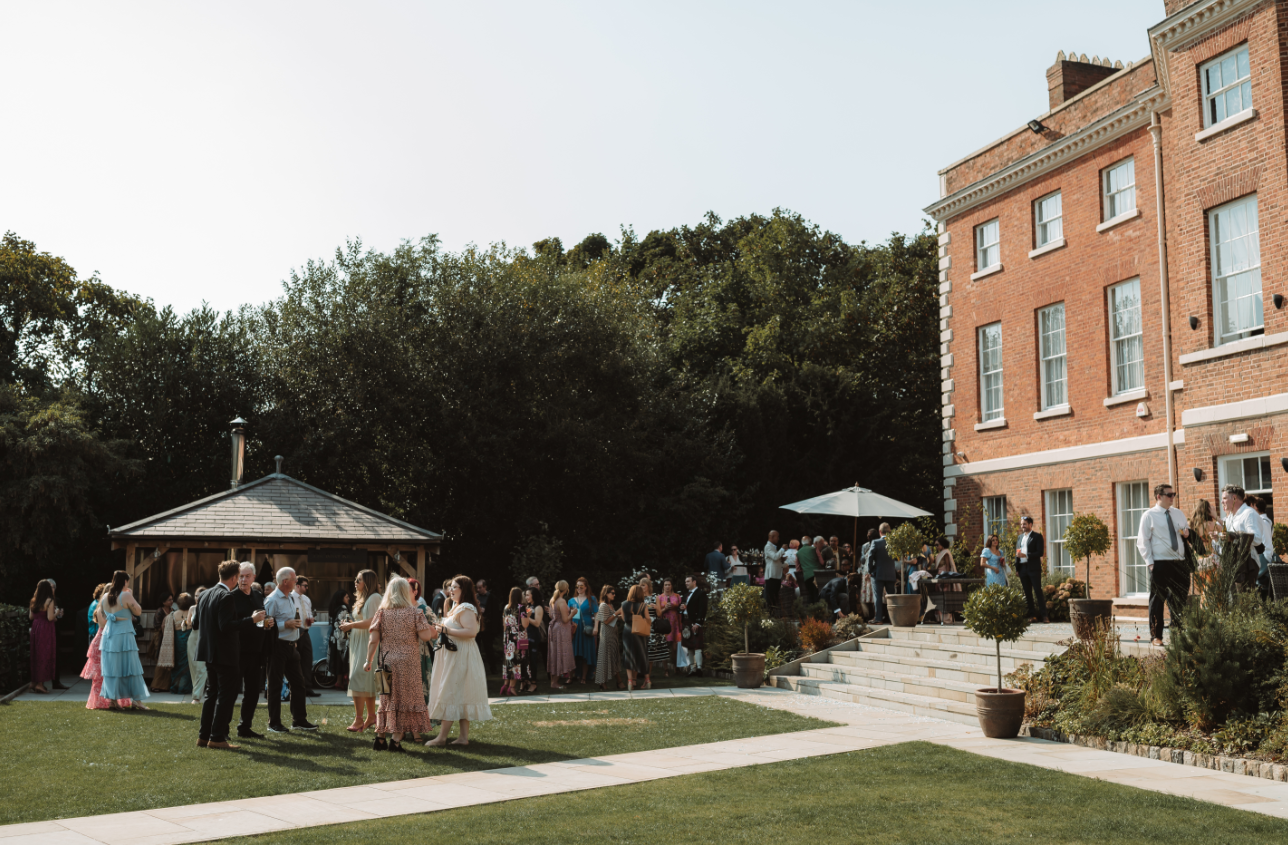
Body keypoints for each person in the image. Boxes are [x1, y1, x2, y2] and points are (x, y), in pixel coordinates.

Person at [196, 561, 267, 749]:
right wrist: (251, 620)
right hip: (225, 653)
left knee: (211, 694)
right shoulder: (226, 596)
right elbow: (226, 626)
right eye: (240, 576)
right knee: (225, 696)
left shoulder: (204, 594)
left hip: (208, 652)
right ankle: (217, 737)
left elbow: (195, 623)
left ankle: (204, 736)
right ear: (235, 577)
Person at [363, 576, 435, 751]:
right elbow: (425, 636)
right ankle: (395, 740)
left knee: (385, 699)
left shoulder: (381, 613)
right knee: (404, 700)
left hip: (384, 662)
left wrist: (368, 660)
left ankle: (380, 739)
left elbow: (373, 641)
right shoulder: (415, 613)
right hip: (407, 664)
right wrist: (433, 631)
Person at [426, 575, 493, 746]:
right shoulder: (456, 606)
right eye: (451, 587)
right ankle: (463, 738)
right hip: (454, 655)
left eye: (455, 587)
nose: (451, 590)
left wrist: (446, 630)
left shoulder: (466, 607)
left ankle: (441, 738)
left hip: (460, 656)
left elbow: (471, 632)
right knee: (459, 692)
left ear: (463, 589)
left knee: (450, 691)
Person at [1137, 482, 1192, 647]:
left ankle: (1177, 634)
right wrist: (1150, 564)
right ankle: (1156, 636)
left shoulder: (1178, 514)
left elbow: (1186, 532)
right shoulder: (1149, 515)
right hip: (1160, 564)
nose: (1172, 497)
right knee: (1157, 600)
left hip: (1180, 564)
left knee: (1179, 600)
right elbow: (1142, 541)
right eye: (1169, 495)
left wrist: (1187, 533)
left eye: (1173, 494)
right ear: (1159, 496)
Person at [99, 571, 150, 710]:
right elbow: (138, 611)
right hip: (123, 635)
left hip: (109, 635)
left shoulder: (105, 596)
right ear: (125, 582)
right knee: (131, 666)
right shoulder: (126, 595)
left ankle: (113, 700)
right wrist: (130, 595)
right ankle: (137, 701)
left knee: (112, 668)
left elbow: (103, 614)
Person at [338, 569, 382, 732]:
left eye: (358, 580)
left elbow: (373, 621)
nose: (355, 583)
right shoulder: (363, 598)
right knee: (365, 681)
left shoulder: (375, 597)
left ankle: (358, 720)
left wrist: (352, 625)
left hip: (367, 642)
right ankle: (371, 717)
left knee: (357, 678)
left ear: (367, 582)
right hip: (358, 641)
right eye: (355, 580)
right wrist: (350, 625)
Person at [231, 562, 271, 738]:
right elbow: (230, 625)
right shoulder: (231, 597)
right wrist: (252, 620)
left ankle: (244, 727)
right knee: (231, 692)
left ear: (254, 577)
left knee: (253, 692)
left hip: (256, 651)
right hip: (236, 651)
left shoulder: (257, 595)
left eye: (247, 576)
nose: (243, 579)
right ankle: (222, 730)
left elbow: (262, 619)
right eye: (240, 576)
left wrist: (268, 623)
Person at [81, 598, 130, 710]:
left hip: (111, 639)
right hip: (103, 640)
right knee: (100, 674)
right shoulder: (101, 609)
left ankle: (113, 701)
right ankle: (102, 701)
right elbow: (104, 624)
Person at [1222, 484, 1263, 591]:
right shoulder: (1230, 517)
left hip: (1248, 565)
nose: (1222, 502)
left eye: (1225, 498)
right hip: (1232, 564)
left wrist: (1235, 535)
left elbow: (1257, 539)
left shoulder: (1249, 513)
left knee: (1245, 602)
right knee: (1235, 602)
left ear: (1234, 498)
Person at [1015, 516, 1049, 623]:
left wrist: (1026, 555)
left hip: (1033, 568)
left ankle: (1044, 616)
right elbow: (1017, 554)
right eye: (1021, 524)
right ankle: (1032, 616)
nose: (1022, 526)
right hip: (1023, 568)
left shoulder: (1037, 537)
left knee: (1038, 592)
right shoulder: (1020, 537)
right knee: (1027, 593)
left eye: (1024, 524)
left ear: (1030, 524)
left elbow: (1040, 553)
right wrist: (1017, 569)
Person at [28, 580, 57, 694]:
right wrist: (56, 613)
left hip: (35, 628)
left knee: (36, 654)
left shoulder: (33, 601)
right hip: (45, 629)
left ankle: (33, 682)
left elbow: (31, 616)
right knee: (44, 655)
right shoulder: (49, 601)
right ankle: (40, 684)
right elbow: (50, 618)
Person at [620, 584, 651, 690]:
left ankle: (630, 682)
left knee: (628, 655)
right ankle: (647, 680)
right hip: (640, 633)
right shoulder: (643, 605)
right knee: (642, 654)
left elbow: (624, 619)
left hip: (628, 632)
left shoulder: (624, 604)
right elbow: (648, 619)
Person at [500, 587, 531, 696]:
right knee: (517, 662)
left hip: (508, 639)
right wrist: (529, 614)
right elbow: (525, 624)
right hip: (518, 639)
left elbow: (504, 625)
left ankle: (505, 685)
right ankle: (512, 687)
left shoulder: (506, 608)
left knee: (509, 662)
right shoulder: (522, 608)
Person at [150, 592, 182, 692]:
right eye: (169, 600)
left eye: (172, 599)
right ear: (163, 602)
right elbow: (157, 625)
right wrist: (166, 627)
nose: (171, 601)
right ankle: (156, 685)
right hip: (159, 639)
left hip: (169, 639)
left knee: (168, 661)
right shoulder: (160, 611)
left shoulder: (173, 610)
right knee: (160, 662)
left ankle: (166, 686)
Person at [593, 585, 623, 689]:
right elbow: (605, 620)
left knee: (613, 657)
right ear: (606, 593)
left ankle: (618, 681)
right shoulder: (603, 605)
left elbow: (612, 618)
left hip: (613, 635)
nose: (614, 595)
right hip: (606, 635)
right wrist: (617, 613)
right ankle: (602, 682)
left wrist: (620, 616)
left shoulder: (610, 605)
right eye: (612, 593)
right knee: (605, 658)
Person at [294, 576, 320, 697]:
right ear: (297, 585)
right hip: (295, 632)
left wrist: (310, 619)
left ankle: (307, 688)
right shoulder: (290, 597)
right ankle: (296, 688)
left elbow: (308, 614)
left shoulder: (306, 599)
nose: (307, 588)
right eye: (305, 585)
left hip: (305, 631)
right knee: (295, 661)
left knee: (307, 660)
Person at [547, 579, 575, 689]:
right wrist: (572, 613)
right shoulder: (562, 601)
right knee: (560, 654)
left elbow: (551, 616)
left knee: (555, 654)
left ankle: (553, 682)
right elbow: (565, 619)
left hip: (554, 628)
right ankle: (555, 683)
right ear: (566, 589)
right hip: (561, 631)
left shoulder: (552, 600)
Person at [569, 577, 598, 684]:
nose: (579, 588)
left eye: (581, 586)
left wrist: (596, 627)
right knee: (573, 653)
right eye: (577, 586)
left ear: (586, 587)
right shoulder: (571, 600)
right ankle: (571, 676)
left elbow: (596, 614)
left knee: (586, 652)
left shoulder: (592, 599)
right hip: (575, 628)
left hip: (587, 628)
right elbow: (568, 615)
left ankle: (584, 677)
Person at [868, 523, 897, 624]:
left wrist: (870, 570)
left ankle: (878, 619)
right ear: (890, 532)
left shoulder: (876, 542)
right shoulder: (894, 543)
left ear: (880, 531)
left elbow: (870, 557)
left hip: (878, 573)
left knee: (878, 597)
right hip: (891, 573)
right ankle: (893, 619)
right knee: (891, 597)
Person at [679, 575, 707, 675]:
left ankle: (699, 669)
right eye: (685, 582)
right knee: (689, 646)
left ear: (694, 582)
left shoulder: (701, 593)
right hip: (686, 622)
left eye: (688, 581)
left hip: (694, 622)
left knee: (697, 646)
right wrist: (681, 608)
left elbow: (702, 609)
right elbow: (682, 608)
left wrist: (698, 623)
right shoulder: (685, 595)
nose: (686, 583)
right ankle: (692, 669)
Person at [327, 582, 353, 685]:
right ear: (341, 598)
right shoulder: (343, 608)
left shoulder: (334, 608)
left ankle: (338, 681)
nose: (348, 599)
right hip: (341, 637)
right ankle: (344, 681)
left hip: (334, 636)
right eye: (346, 597)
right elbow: (342, 623)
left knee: (337, 658)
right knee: (343, 659)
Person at [519, 588, 545, 693]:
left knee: (533, 660)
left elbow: (537, 623)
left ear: (534, 595)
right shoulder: (528, 607)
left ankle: (534, 683)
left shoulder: (538, 608)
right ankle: (524, 681)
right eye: (525, 595)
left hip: (533, 636)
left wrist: (525, 617)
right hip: (525, 636)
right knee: (524, 659)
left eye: (528, 595)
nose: (526, 597)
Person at [656, 578, 683, 670]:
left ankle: (676, 667)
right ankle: (666, 669)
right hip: (665, 623)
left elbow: (680, 609)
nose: (667, 586)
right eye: (665, 585)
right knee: (664, 647)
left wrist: (682, 607)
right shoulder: (659, 597)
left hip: (675, 623)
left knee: (675, 648)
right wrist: (665, 609)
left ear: (672, 586)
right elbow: (658, 613)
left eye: (669, 584)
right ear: (663, 586)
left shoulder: (677, 596)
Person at [170, 593, 194, 695]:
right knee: (187, 665)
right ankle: (184, 688)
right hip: (189, 639)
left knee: (177, 664)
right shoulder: (192, 612)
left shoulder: (173, 614)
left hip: (177, 641)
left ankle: (175, 687)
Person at [187, 586, 207, 703]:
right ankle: (197, 691)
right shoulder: (192, 608)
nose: (197, 598)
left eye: (200, 596)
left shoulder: (209, 607)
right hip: (193, 638)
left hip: (204, 638)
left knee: (201, 668)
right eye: (196, 595)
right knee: (194, 667)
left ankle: (196, 696)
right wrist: (184, 623)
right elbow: (189, 623)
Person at [797, 535, 821, 604]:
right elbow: (822, 562)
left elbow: (798, 568)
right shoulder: (814, 549)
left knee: (810, 593)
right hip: (816, 575)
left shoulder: (798, 552)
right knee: (816, 593)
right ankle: (817, 610)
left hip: (806, 576)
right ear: (810, 542)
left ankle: (809, 611)